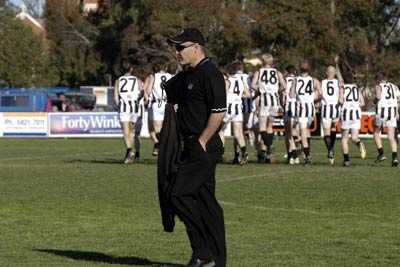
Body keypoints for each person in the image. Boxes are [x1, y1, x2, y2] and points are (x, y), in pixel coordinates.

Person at [163, 28, 227, 267]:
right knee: (207, 203)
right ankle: (216, 260)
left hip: (204, 147)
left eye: (181, 47)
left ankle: (203, 252)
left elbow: (218, 112)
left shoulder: (211, 73)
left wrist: (202, 140)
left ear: (197, 48)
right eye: (175, 47)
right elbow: (170, 89)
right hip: (188, 145)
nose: (176, 52)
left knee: (177, 194)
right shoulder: (189, 74)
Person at [251, 54, 286, 163]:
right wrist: (276, 90)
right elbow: (284, 86)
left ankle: (269, 147)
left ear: (262, 61)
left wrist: (260, 89)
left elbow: (252, 85)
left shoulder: (259, 72)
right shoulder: (277, 72)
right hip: (275, 101)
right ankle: (268, 151)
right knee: (270, 126)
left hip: (264, 100)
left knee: (262, 127)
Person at [290, 60, 320, 165]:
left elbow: (292, 95)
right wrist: (314, 99)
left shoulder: (296, 80)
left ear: (299, 69)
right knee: (306, 131)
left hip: (302, 109)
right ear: (309, 69)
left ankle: (307, 156)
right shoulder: (314, 80)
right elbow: (320, 94)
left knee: (302, 132)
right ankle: (306, 152)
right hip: (311, 109)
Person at [220, 61, 250, 165]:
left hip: (228, 107)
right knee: (238, 133)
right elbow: (247, 94)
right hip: (238, 108)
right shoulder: (240, 80)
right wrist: (237, 96)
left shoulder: (227, 81)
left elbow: (222, 93)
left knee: (221, 130)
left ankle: (220, 153)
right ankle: (244, 151)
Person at [336, 65, 367, 166]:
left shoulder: (343, 88)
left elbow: (340, 101)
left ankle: (346, 160)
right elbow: (362, 103)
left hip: (346, 114)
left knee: (344, 138)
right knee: (354, 137)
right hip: (356, 114)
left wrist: (338, 104)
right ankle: (359, 143)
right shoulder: (356, 88)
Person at [114, 63, 143, 164]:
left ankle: (130, 150)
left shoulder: (118, 80)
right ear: (131, 69)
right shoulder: (137, 79)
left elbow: (116, 97)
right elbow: (142, 91)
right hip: (134, 108)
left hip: (124, 107)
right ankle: (132, 152)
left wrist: (119, 105)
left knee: (126, 131)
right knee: (131, 131)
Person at [145, 62, 174, 156]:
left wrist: (149, 95)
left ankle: (159, 145)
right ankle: (165, 146)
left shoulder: (153, 76)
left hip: (157, 104)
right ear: (166, 66)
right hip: (168, 103)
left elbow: (148, 90)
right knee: (168, 127)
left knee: (157, 128)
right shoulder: (171, 76)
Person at [373, 73, 399, 166]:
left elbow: (378, 97)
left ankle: (381, 154)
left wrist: (374, 101)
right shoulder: (394, 86)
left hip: (381, 113)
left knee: (376, 133)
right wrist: (396, 111)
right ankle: (395, 158)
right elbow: (398, 99)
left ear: (378, 80)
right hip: (392, 113)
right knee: (391, 137)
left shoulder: (378, 86)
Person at [320, 58, 342, 165]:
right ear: (334, 73)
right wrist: (337, 64)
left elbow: (320, 94)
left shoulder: (323, 82)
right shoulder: (338, 82)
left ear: (326, 73)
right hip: (336, 108)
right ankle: (331, 148)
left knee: (326, 132)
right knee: (333, 128)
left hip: (326, 108)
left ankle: (330, 150)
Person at [283, 65, 300, 165]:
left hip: (288, 108)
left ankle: (292, 155)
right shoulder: (299, 80)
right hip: (298, 107)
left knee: (288, 134)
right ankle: (295, 153)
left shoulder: (284, 80)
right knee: (295, 133)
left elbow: (282, 95)